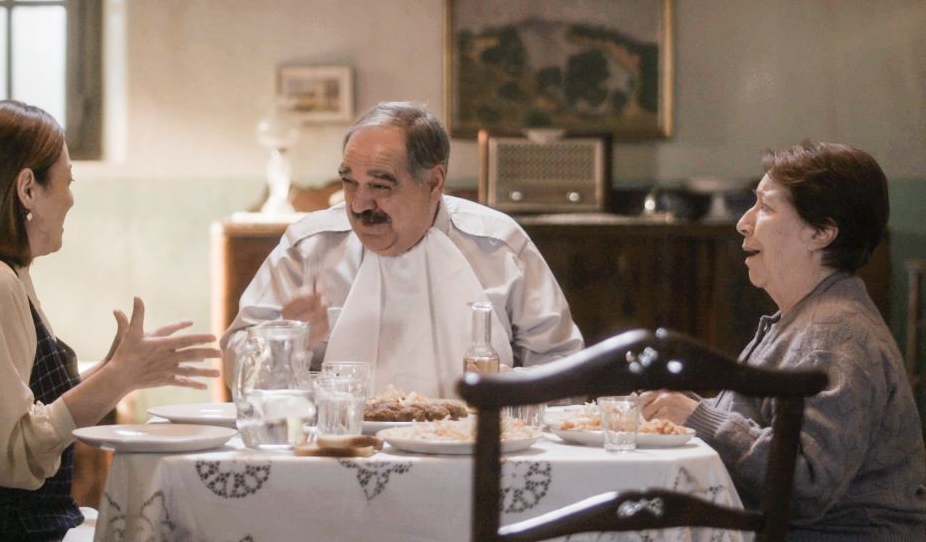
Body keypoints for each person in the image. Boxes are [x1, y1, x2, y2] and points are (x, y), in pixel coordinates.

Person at [0, 100, 221, 541]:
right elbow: (9, 456)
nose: (71, 198)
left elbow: (27, 411)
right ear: (27, 189)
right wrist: (116, 378)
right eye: (67, 181)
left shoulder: (2, 274)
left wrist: (113, 372)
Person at [640, 142, 926, 540]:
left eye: (766, 207)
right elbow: (758, 426)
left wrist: (698, 418)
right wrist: (680, 408)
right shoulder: (807, 318)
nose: (743, 223)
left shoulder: (835, 334)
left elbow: (807, 484)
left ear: (821, 232)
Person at [222, 102, 583, 398]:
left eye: (380, 186)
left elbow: (565, 364)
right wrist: (286, 343)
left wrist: (511, 386)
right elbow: (233, 363)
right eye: (349, 183)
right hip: (340, 446)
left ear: (434, 183)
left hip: (469, 448)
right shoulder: (310, 247)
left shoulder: (499, 246)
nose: (359, 204)